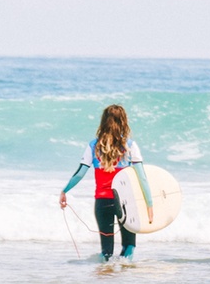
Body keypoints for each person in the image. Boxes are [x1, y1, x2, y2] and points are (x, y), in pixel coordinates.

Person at [59, 104, 153, 261]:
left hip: (103, 202)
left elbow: (80, 173)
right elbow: (142, 177)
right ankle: (124, 277)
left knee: (106, 251)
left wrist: (64, 191)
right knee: (129, 245)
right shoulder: (129, 146)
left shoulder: (94, 146)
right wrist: (149, 203)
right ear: (124, 122)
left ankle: (106, 279)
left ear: (103, 122)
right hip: (126, 203)